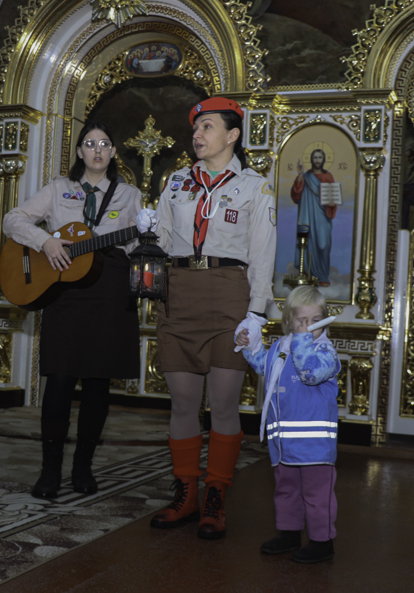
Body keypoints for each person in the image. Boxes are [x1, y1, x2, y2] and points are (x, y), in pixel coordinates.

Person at [137, 97, 277, 539]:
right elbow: (160, 238)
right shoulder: (177, 181)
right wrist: (145, 228)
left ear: (233, 135)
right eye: (195, 127)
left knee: (222, 405)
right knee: (181, 402)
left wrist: (256, 313)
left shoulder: (256, 187)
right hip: (178, 295)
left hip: (228, 294)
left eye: (208, 127)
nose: (197, 135)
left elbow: (262, 254)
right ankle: (185, 492)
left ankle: (216, 494)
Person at [3, 120, 142, 499]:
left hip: (110, 293)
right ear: (80, 151)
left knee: (98, 383)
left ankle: (83, 467)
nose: (97, 150)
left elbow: (136, 248)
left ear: (113, 153)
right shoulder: (57, 189)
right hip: (65, 294)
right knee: (60, 381)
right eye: (90, 143)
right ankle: (50, 471)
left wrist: (144, 234)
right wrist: (45, 241)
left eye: (105, 144)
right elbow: (11, 220)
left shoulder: (129, 194)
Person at [235, 285, 340, 563]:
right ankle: (289, 532)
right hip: (283, 443)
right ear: (289, 322)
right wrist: (250, 345)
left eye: (314, 320)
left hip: (315, 445)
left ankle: (322, 541)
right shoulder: (282, 348)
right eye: (300, 321)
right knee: (286, 489)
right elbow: (264, 366)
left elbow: (309, 373)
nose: (307, 326)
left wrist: (302, 340)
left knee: (317, 494)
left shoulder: (325, 353)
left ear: (324, 319)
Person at [292, 149, 335, 286]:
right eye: (315, 157)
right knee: (308, 244)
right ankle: (307, 274)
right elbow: (296, 194)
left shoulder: (328, 176)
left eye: (320, 157)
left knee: (323, 245)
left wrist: (332, 203)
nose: (317, 160)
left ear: (323, 160)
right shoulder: (305, 177)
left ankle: (322, 276)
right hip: (308, 217)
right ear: (311, 159)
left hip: (323, 217)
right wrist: (299, 175)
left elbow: (332, 197)